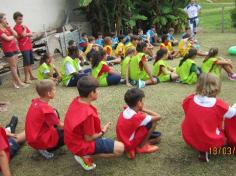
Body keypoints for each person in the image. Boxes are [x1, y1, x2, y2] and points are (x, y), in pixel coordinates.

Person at [64, 76, 124, 171]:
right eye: (97, 90)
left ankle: (84, 154)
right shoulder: (88, 114)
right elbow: (88, 138)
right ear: (91, 93)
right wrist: (102, 132)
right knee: (120, 149)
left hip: (71, 141)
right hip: (80, 145)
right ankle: (85, 156)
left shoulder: (76, 100)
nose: (98, 92)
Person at [181, 73, 236, 162]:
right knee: (224, 141)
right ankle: (206, 149)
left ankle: (198, 144)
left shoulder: (190, 98)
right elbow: (232, 113)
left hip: (188, 135)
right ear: (217, 88)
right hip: (208, 138)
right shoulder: (218, 104)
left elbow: (185, 108)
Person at [116, 88, 161, 159]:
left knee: (156, 135)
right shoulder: (137, 117)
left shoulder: (126, 109)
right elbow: (158, 116)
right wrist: (143, 109)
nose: (143, 102)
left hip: (122, 139)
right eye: (141, 100)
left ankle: (132, 148)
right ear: (138, 103)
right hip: (129, 144)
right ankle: (141, 147)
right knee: (152, 123)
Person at [25, 79, 64, 159]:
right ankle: (45, 148)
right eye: (54, 89)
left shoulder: (35, 102)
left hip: (33, 137)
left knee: (55, 111)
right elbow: (61, 126)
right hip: (40, 140)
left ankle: (42, 145)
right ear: (49, 93)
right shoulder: (47, 110)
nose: (55, 91)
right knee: (68, 133)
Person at [0, 13, 27, 88]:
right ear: (0, 20)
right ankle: (19, 82)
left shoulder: (7, 27)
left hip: (14, 47)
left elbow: (16, 34)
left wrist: (10, 28)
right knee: (13, 66)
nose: (6, 20)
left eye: (6, 18)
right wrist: (14, 36)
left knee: (14, 66)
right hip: (8, 49)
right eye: (4, 18)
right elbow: (7, 38)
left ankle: (14, 82)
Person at [13, 11, 36, 84]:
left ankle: (31, 76)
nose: (21, 20)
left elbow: (31, 34)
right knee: (26, 63)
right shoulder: (16, 27)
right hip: (24, 47)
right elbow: (23, 35)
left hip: (29, 46)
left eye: (21, 19)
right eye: (19, 19)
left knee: (30, 62)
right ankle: (26, 78)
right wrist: (25, 29)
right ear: (15, 20)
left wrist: (26, 33)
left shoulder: (23, 26)